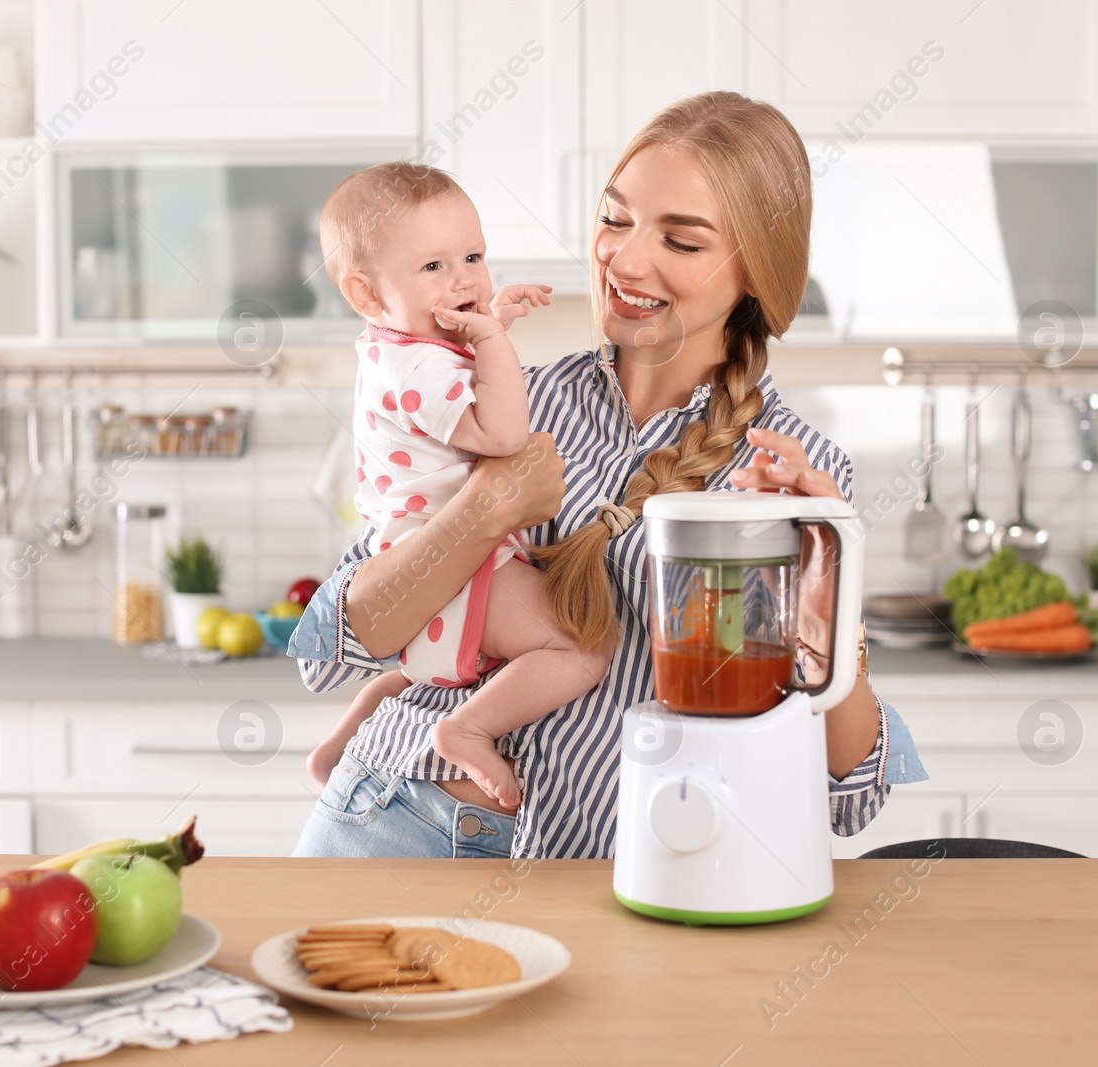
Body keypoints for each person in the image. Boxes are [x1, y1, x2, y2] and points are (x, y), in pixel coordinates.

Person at [288, 91, 927, 860]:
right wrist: (485, 508)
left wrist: (825, 586)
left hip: (597, 872)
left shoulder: (793, 471)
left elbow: (851, 793)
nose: (623, 260)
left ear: (756, 269)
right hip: (389, 817)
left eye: (681, 242)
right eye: (615, 220)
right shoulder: (508, 399)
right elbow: (337, 645)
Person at [304, 163, 612, 810]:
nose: (465, 278)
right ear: (365, 294)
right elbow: (500, 434)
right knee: (580, 644)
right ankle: (467, 726)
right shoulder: (417, 364)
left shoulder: (397, 349)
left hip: (417, 551)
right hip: (460, 562)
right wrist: (494, 334)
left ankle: (339, 744)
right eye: (434, 267)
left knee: (417, 672)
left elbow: (458, 372)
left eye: (472, 255)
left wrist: (486, 322)